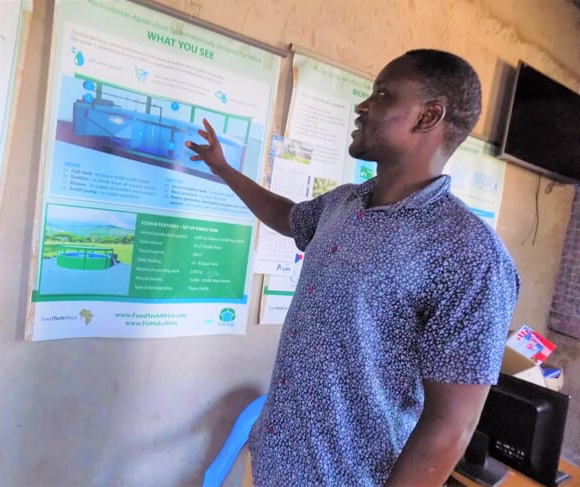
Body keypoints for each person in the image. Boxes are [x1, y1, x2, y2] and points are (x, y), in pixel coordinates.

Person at [186, 49, 520, 486]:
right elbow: (287, 217)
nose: (363, 106)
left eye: (382, 94)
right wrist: (224, 170)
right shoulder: (344, 203)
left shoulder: (469, 254)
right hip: (275, 461)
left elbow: (450, 427)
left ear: (428, 116)